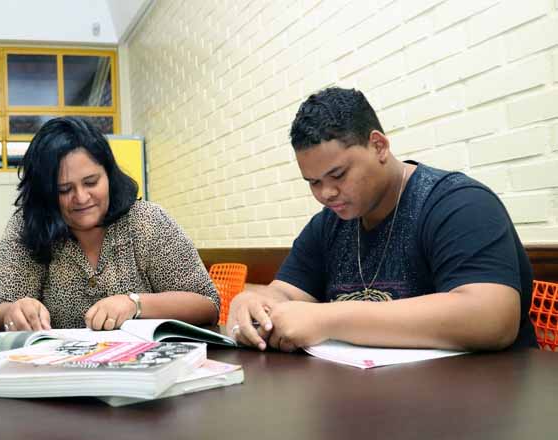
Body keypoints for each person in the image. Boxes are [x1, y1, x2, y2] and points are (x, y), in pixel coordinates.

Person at [228, 87, 536, 352]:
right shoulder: (327, 225)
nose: (327, 193)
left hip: (482, 403)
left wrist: (327, 318)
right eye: (313, 182)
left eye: (338, 174)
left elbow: (492, 316)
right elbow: (283, 293)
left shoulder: (459, 203)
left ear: (378, 146)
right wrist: (253, 302)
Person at [0, 117, 219, 332]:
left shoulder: (146, 221)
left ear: (109, 175)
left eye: (91, 182)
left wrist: (134, 304)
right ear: (45, 194)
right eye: (64, 190)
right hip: (61, 371)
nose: (81, 197)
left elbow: (207, 304)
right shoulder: (26, 226)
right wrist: (14, 311)